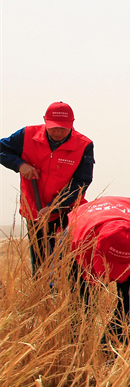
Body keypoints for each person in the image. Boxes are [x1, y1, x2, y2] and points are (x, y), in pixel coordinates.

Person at [0, 101, 94, 271]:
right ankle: (42, 293)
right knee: (40, 260)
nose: (58, 132)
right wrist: (20, 165)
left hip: (67, 210)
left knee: (70, 259)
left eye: (63, 128)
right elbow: (2, 150)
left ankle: (67, 294)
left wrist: (54, 207)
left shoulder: (84, 145)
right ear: (45, 121)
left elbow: (82, 181)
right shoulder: (27, 135)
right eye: (53, 127)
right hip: (34, 208)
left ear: (72, 124)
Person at [68, 196, 130, 345]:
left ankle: (110, 353)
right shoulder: (75, 239)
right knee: (77, 305)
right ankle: (75, 348)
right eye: (108, 265)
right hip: (89, 225)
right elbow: (58, 283)